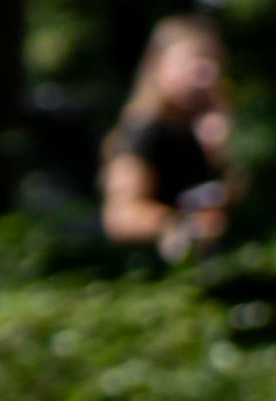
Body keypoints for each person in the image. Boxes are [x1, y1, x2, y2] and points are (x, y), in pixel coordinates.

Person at [98, 14, 239, 264]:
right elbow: (120, 217)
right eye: (193, 61)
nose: (205, 74)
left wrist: (221, 149)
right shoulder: (143, 133)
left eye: (213, 62)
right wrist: (177, 224)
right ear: (158, 65)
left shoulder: (206, 130)